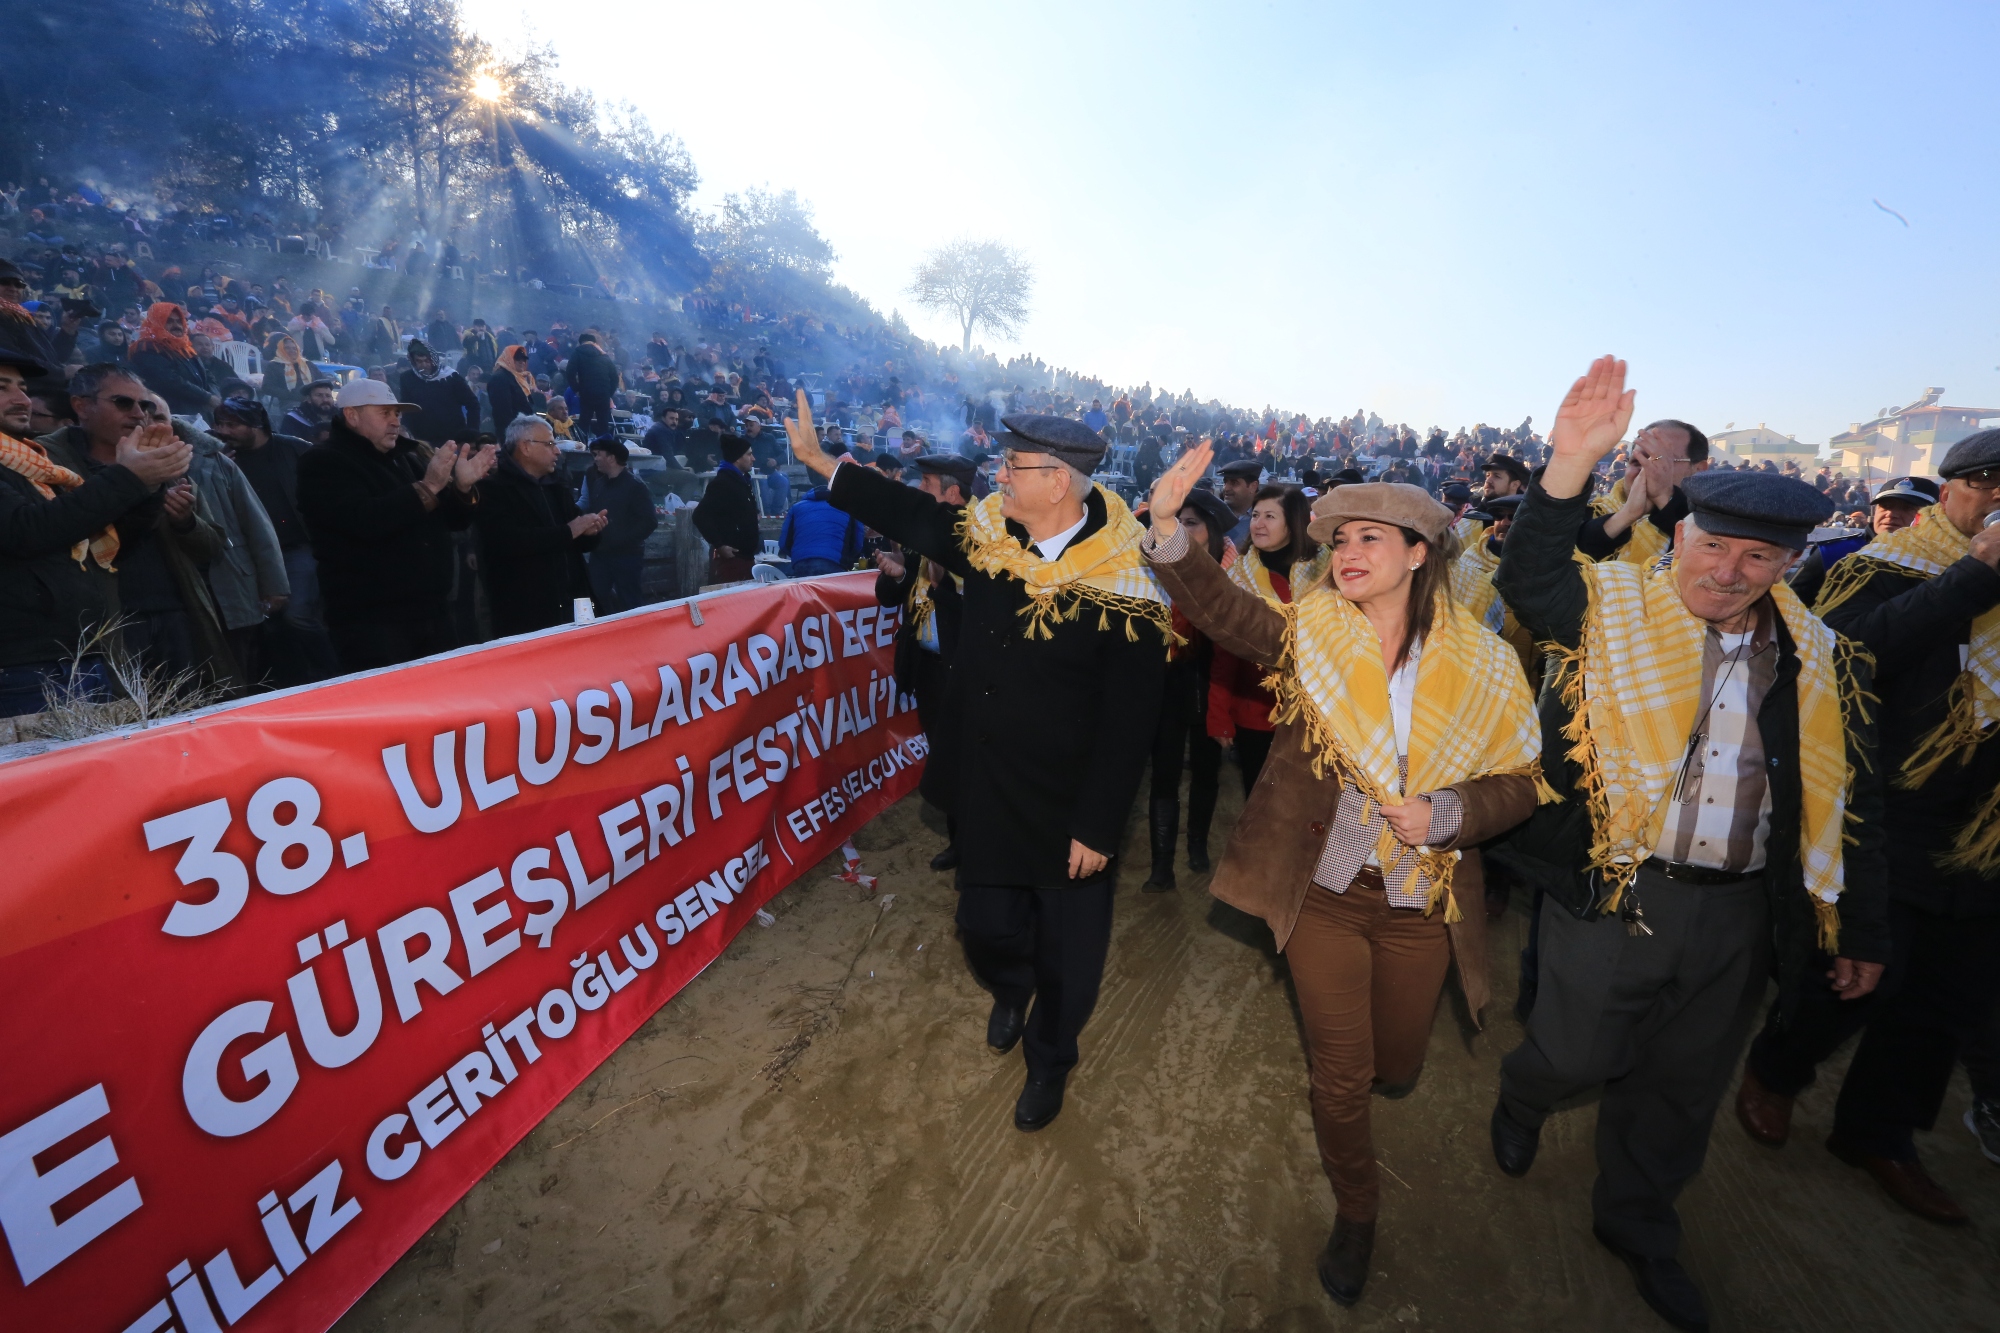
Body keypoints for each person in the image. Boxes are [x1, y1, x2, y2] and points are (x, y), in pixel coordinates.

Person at [1488, 358, 1887, 1333]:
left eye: (1757, 559)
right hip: (1615, 889)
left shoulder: (1818, 657)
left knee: (1678, 1086)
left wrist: (1858, 925)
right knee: (1573, 1050)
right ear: (1680, 535)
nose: (1726, 571)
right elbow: (1527, 575)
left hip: (1737, 912)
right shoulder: (1611, 607)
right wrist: (1567, 467)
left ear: (1787, 564)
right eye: (1712, 545)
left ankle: (1637, 1225)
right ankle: (1523, 1090)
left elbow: (1849, 800)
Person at [1144, 445, 1543, 1307]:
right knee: (1339, 1068)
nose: (1348, 553)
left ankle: (1370, 1085)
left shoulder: (1486, 663)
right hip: (1324, 891)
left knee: (1394, 1062)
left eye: (1371, 537)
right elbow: (1223, 612)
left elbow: (1520, 783)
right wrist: (1169, 531)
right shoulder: (1310, 633)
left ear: (1418, 553)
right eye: (1340, 540)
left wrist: (1448, 814)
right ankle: (1357, 1211)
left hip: (1418, 901)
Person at [788, 395, 1169, 1133]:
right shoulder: (992, 534)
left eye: (1011, 466)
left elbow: (1131, 723)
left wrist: (1098, 823)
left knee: (1070, 957)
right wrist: (822, 464)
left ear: (1057, 481)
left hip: (1069, 803)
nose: (998, 476)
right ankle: (1011, 984)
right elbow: (916, 515)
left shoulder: (1128, 582)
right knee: (987, 926)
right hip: (991, 784)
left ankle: (1050, 1057)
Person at [1733, 430, 2000, 1226]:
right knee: (1855, 972)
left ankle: (1879, 1133)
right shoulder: (1884, 567)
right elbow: (1845, 655)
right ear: (1949, 492)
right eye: (1986, 482)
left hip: (1984, 829)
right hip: (1888, 809)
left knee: (1946, 999)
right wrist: (1973, 578)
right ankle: (1777, 1071)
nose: (1995, 498)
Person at [1, 342, 187, 716]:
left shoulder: (30, 463)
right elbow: (27, 531)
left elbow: (94, 538)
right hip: (23, 664)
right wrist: (130, 477)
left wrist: (149, 486)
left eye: (22, 386)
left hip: (76, 651)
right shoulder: (40, 459)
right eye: (2, 386)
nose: (22, 398)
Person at [296, 378, 496, 671]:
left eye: (397, 414)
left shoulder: (406, 457)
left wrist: (463, 489)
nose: (394, 422)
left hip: (432, 610)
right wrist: (428, 487)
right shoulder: (323, 462)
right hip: (373, 620)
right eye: (385, 413)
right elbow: (364, 521)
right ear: (352, 415)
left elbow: (451, 522)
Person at [871, 454, 974, 869]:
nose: (919, 491)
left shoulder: (984, 543)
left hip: (968, 671)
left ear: (952, 493)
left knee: (972, 759)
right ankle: (958, 842)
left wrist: (939, 588)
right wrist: (897, 574)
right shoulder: (924, 534)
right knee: (945, 757)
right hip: (928, 669)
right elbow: (888, 597)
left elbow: (987, 614)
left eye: (927, 484)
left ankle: (977, 844)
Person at [1141, 485, 1236, 892]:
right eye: (1175, 522)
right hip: (1162, 681)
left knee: (1205, 770)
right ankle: (1161, 865)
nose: (1180, 530)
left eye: (1191, 523)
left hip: (1210, 679)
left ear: (1212, 532)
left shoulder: (1233, 576)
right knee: (1163, 774)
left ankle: (1197, 845)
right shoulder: (1147, 566)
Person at [159, 392, 287, 689]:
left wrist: (274, 585)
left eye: (159, 417)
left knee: (242, 674)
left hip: (229, 583)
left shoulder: (213, 460)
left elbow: (256, 525)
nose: (150, 423)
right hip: (175, 598)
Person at [209, 398, 338, 683]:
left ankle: (332, 672)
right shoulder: (220, 458)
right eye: (219, 424)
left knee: (296, 615)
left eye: (232, 424)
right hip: (246, 554)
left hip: (297, 547)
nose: (222, 431)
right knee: (266, 626)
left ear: (256, 425)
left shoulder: (294, 448)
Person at [1211, 483, 1326, 793]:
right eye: (1255, 514)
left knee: (1305, 800)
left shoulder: (1325, 570)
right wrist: (1219, 712)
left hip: (1318, 709)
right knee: (1260, 798)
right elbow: (1225, 650)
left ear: (1295, 521)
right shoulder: (1238, 575)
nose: (1258, 524)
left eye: (1270, 516)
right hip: (1257, 708)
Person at [475, 416, 607, 637]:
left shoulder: (556, 486)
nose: (557, 451)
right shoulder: (493, 490)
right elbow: (507, 543)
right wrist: (570, 531)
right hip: (527, 612)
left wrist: (590, 532)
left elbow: (577, 539)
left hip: (574, 604)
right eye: (550, 444)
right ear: (525, 447)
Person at [1577, 420, 1710, 565]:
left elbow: (1707, 556)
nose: (1646, 471)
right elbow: (1563, 555)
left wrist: (1664, 498)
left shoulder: (1715, 522)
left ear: (1698, 470)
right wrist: (1626, 515)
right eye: (1637, 462)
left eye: (1660, 462)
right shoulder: (1589, 512)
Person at [578, 436, 656, 614]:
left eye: (598, 454)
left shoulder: (635, 486)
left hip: (626, 557)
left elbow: (649, 521)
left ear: (611, 458)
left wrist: (623, 540)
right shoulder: (598, 484)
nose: (595, 458)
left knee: (630, 604)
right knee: (595, 600)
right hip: (601, 555)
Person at [127, 302, 218, 418]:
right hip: (170, 415)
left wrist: (214, 395)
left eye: (178, 321)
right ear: (156, 323)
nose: (176, 325)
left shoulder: (185, 347)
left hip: (199, 411)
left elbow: (207, 374)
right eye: (169, 321)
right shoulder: (147, 348)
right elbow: (169, 380)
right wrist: (207, 398)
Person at [693, 433, 761, 584]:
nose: (753, 458)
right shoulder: (723, 483)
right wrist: (719, 545)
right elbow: (699, 515)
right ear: (737, 458)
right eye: (749, 454)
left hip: (746, 558)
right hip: (731, 562)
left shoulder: (742, 481)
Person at [397, 340, 480, 446]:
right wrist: (406, 435)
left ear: (433, 359)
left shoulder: (450, 377)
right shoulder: (407, 378)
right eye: (419, 361)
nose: (424, 365)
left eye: (427, 361)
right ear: (413, 361)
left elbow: (473, 404)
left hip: (452, 438)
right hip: (422, 440)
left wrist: (471, 434)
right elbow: (407, 409)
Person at [779, 478, 862, 577]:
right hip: (834, 564)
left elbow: (784, 543)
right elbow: (857, 544)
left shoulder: (797, 507)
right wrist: (847, 560)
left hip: (801, 564)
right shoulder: (849, 508)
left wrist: (799, 555)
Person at [567, 332, 621, 437]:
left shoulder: (577, 353)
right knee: (603, 424)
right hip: (603, 392)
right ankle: (605, 448)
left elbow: (570, 373)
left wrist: (576, 389)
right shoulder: (604, 355)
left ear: (581, 342)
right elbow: (614, 377)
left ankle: (582, 447)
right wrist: (609, 392)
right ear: (594, 342)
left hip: (586, 392)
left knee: (584, 422)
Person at [487, 345, 536, 438]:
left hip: (523, 430)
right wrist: (511, 435)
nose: (522, 362)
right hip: (512, 434)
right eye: (517, 358)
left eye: (524, 359)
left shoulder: (519, 377)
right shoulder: (500, 378)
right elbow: (502, 412)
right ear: (508, 358)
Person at [1219, 458, 1261, 550]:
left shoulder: (1264, 519)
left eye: (1234, 483)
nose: (1226, 488)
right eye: (1225, 482)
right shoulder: (1215, 515)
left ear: (1253, 487)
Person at [283, 378, 337, 447]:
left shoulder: (340, 418)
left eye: (328, 396)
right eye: (319, 395)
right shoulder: (293, 419)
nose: (325, 400)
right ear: (308, 399)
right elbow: (288, 446)